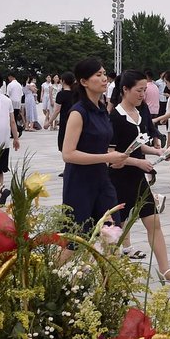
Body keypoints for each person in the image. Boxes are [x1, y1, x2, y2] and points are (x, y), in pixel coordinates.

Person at [109, 70, 170, 283]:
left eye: (144, 90)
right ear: (125, 90)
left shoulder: (140, 114)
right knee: (115, 229)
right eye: (139, 90)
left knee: (153, 222)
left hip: (137, 179)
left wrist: (157, 151)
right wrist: (138, 162)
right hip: (117, 180)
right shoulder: (115, 117)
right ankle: (112, 274)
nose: (143, 94)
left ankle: (165, 269)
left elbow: (138, 144)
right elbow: (112, 157)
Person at [62, 58, 128, 239]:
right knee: (76, 240)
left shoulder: (101, 109)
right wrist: (106, 158)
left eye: (104, 74)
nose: (104, 78)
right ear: (84, 82)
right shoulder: (78, 112)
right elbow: (68, 154)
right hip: (79, 183)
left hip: (102, 180)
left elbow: (100, 147)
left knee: (111, 233)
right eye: (98, 75)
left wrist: (116, 158)